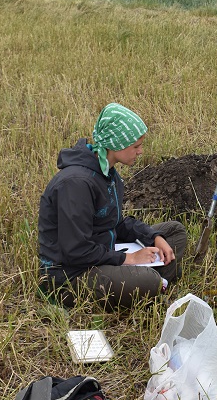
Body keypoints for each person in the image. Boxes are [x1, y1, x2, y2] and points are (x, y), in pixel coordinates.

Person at [38, 102, 187, 308]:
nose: (141, 151)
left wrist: (153, 237)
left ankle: (146, 282)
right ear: (116, 144)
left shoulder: (108, 173)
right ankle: (151, 282)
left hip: (103, 252)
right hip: (72, 277)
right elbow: (75, 251)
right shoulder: (76, 184)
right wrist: (128, 258)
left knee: (174, 233)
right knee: (148, 282)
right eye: (136, 146)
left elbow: (114, 223)